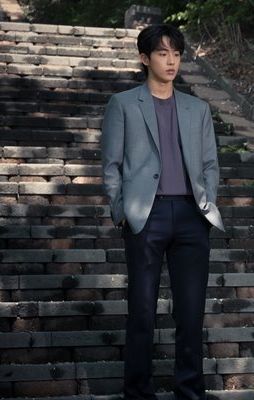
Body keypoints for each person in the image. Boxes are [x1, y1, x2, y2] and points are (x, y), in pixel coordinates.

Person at [101, 24, 224, 400]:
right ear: (145, 58)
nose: (171, 61)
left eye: (176, 54)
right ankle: (139, 392)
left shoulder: (197, 108)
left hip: (191, 216)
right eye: (162, 53)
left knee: (191, 312)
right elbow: (111, 165)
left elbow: (210, 164)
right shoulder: (123, 104)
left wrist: (206, 203)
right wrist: (121, 210)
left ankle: (190, 392)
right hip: (145, 215)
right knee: (142, 310)